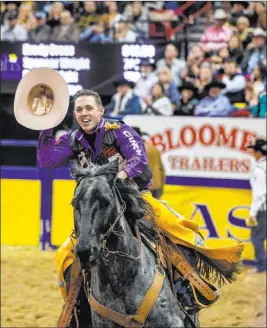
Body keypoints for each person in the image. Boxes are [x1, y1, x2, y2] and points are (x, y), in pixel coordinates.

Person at [37, 89, 243, 311]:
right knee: (63, 256)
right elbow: (46, 160)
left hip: (132, 196)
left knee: (173, 225)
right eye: (79, 109)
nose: (84, 113)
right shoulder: (71, 139)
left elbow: (138, 158)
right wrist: (46, 124)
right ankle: (76, 308)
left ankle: (189, 288)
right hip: (97, 207)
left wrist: (119, 178)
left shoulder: (119, 131)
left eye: (89, 108)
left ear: (101, 110)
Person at [246, 139, 267, 273]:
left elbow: (260, 194)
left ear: (260, 152)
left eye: (255, 150)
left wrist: (253, 212)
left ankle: (261, 265)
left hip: (262, 209)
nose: (253, 153)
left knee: (256, 238)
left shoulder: (260, 169)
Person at [133, 127, 166, 199]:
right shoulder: (154, 148)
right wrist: (161, 186)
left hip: (144, 187)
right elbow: (162, 169)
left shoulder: (136, 149)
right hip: (157, 185)